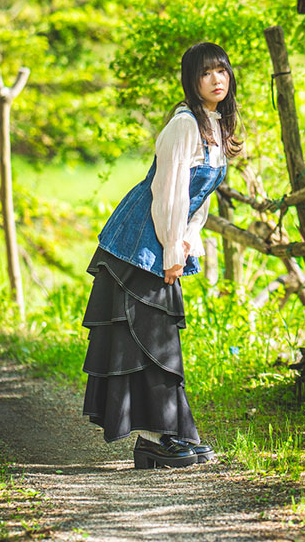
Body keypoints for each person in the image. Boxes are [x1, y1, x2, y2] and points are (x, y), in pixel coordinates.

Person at [82, 41, 238, 469]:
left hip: (165, 240)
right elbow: (167, 193)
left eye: (222, 71)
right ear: (192, 81)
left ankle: (164, 437)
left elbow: (199, 200)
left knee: (154, 340)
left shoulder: (216, 128)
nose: (216, 79)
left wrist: (189, 239)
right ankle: (163, 438)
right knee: (152, 341)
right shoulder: (184, 125)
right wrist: (172, 248)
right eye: (206, 73)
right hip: (140, 246)